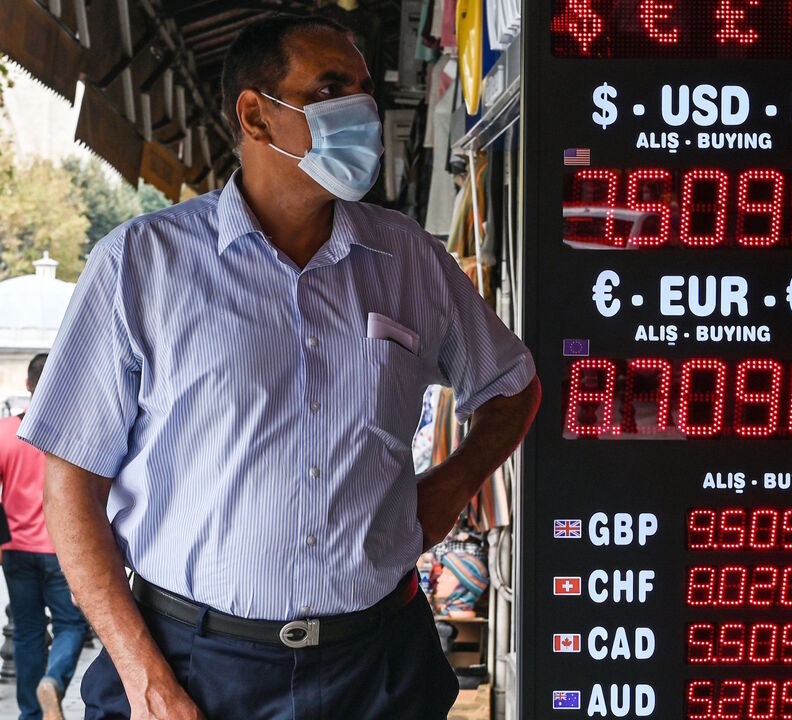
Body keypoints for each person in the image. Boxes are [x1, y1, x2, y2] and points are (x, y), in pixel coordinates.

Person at [18, 13, 539, 720]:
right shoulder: (142, 265)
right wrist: (144, 679)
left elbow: (513, 388)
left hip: (377, 666)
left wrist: (451, 485)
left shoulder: (406, 260)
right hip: (195, 664)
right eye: (330, 88)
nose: (363, 109)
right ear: (256, 117)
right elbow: (70, 489)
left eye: (363, 89)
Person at [0, 353, 90, 720]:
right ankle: (53, 681)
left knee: (27, 632)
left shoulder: (6, 432)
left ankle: (30, 715)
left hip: (15, 550)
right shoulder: (73, 432)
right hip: (62, 550)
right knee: (71, 624)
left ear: (27, 385)